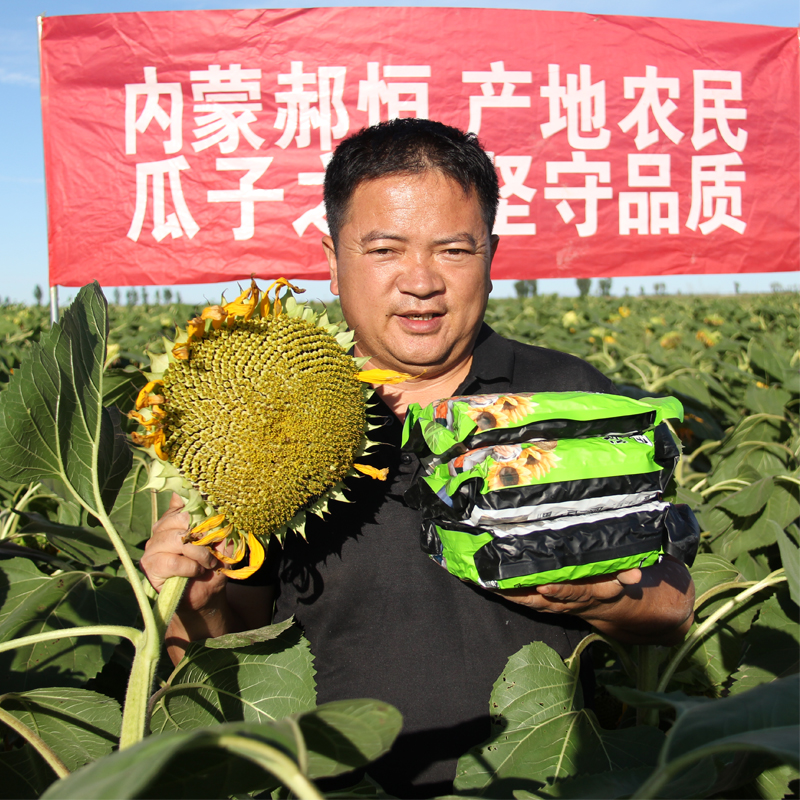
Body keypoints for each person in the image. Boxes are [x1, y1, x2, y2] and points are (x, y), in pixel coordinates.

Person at [142, 118, 695, 798]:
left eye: (454, 251)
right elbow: (235, 659)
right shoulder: (261, 418)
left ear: (490, 253)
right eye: (384, 249)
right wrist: (196, 608)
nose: (421, 281)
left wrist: (597, 597)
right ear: (332, 253)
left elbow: (674, 606)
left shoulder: (570, 396)